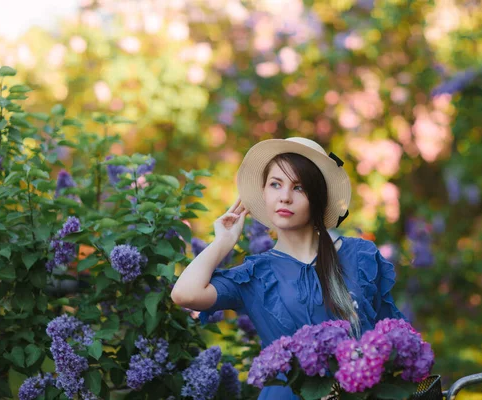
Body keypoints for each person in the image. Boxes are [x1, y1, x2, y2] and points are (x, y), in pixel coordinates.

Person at [171, 137, 406, 400]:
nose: (284, 197)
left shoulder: (360, 257)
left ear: (317, 197)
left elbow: (393, 340)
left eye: (299, 187)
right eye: (275, 184)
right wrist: (222, 243)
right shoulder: (255, 274)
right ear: (264, 194)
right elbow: (184, 294)